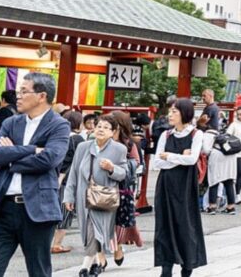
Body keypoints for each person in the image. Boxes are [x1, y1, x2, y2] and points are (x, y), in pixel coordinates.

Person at [0, 72, 72, 277]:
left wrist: (11, 157)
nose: (18, 96)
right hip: (3, 207)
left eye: (23, 91)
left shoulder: (59, 125)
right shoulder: (11, 123)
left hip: (37, 210)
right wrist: (31, 150)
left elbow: (49, 159)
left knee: (38, 271)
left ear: (41, 96)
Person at [62, 113, 129, 276]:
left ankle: (85, 266)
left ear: (113, 131)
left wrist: (112, 168)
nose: (101, 130)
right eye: (99, 126)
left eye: (106, 128)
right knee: (87, 230)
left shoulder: (119, 149)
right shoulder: (83, 147)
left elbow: (124, 173)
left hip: (104, 197)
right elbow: (74, 174)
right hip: (83, 195)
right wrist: (68, 196)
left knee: (96, 229)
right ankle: (98, 262)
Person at [151, 98, 208, 277]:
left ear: (185, 113)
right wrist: (177, 157)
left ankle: (187, 266)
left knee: (186, 224)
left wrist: (169, 156)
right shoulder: (166, 135)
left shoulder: (196, 134)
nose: (170, 115)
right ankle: (166, 268)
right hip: (166, 184)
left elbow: (192, 160)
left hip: (185, 187)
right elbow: (157, 162)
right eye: (170, 111)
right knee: (164, 224)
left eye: (174, 112)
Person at [49, 111, 86, 253]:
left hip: (51, 177)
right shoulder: (77, 140)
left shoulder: (57, 137)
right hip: (66, 180)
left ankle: (48, 242)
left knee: (52, 210)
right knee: (65, 211)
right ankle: (57, 244)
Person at [110, 110, 144, 263]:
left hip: (122, 187)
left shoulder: (129, 143)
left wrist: (119, 166)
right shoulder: (99, 139)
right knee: (104, 220)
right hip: (101, 186)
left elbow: (136, 162)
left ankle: (117, 247)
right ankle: (103, 253)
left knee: (118, 220)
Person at [202, 115, 238, 216]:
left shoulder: (207, 134)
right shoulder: (223, 131)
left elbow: (206, 149)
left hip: (217, 156)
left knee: (214, 181)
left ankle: (212, 207)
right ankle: (231, 207)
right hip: (230, 157)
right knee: (229, 182)